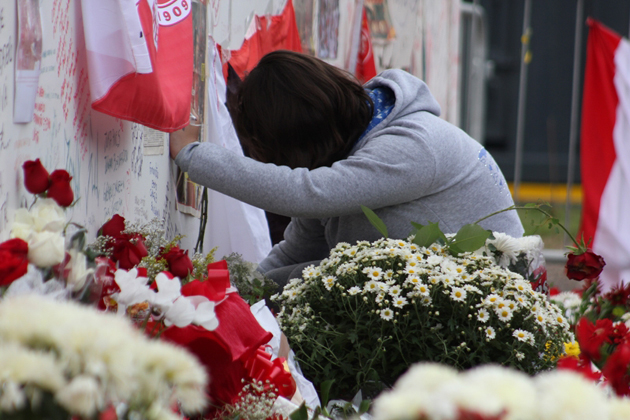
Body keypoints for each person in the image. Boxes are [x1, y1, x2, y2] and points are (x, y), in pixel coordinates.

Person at [170, 50, 524, 287]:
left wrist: (192, 154)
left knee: (316, 284)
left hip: (490, 309)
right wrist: (236, 298)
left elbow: (305, 194)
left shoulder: (410, 145)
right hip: (434, 298)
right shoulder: (349, 148)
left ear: (296, 136)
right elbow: (298, 251)